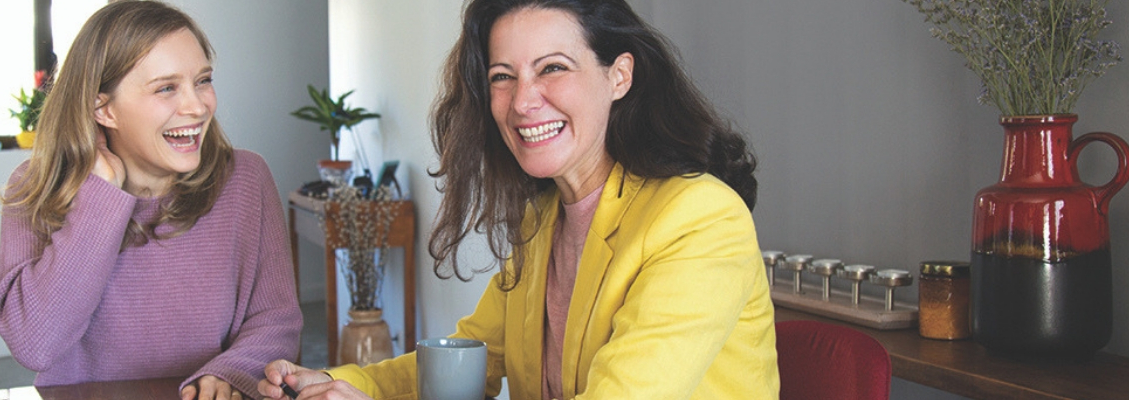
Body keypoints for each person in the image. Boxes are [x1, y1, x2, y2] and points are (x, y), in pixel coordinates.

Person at [259, 0, 778, 398]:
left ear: (619, 76)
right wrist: (328, 381)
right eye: (503, 77)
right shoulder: (543, 219)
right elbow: (466, 360)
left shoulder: (700, 217)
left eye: (552, 68)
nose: (523, 102)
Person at [0, 2, 300, 400]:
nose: (198, 106)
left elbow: (277, 320)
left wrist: (232, 371)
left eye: (202, 80)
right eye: (167, 88)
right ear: (102, 108)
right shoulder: (36, 186)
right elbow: (35, 343)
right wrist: (101, 195)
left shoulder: (245, 178)